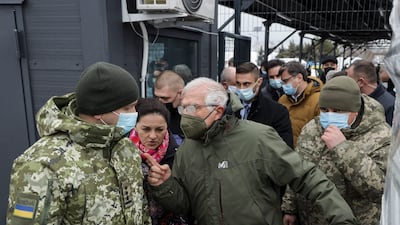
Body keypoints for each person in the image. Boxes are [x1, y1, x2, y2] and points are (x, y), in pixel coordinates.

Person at [143, 77, 358, 225]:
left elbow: (306, 177)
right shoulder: (187, 149)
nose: (185, 115)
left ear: (217, 111)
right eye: (183, 108)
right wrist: (165, 185)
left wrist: (341, 218)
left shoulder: (258, 138)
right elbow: (185, 205)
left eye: (192, 108)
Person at [6, 62, 150, 225]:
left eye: (134, 106)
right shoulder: (43, 164)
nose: (134, 114)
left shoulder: (124, 148)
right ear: (98, 111)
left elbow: (139, 209)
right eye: (126, 108)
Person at [283, 76, 390, 225]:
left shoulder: (380, 136)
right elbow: (298, 168)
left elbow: (380, 190)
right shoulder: (312, 128)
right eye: (325, 110)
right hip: (310, 218)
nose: (330, 115)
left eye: (338, 111)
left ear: (356, 110)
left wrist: (342, 148)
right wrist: (290, 207)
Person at [129, 98, 190, 225]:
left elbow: (185, 206)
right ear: (135, 126)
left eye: (159, 129)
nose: (153, 136)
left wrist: (166, 184)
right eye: (146, 129)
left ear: (167, 127)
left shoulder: (180, 156)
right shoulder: (121, 154)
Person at [235, 62, 293, 148]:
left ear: (259, 82)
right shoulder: (230, 108)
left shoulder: (277, 112)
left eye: (246, 84)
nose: (241, 88)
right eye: (238, 84)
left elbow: (284, 148)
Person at [278, 61, 323, 146]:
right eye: (282, 82)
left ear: (299, 78)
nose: (283, 85)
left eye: (286, 81)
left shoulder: (319, 100)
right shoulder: (283, 100)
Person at [347, 59, 395, 125]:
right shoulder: (355, 100)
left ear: (361, 82)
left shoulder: (390, 106)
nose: (346, 83)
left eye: (349, 79)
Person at [154, 70, 185, 145]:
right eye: (157, 97)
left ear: (180, 93)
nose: (160, 101)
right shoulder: (158, 111)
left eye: (165, 98)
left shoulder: (195, 113)